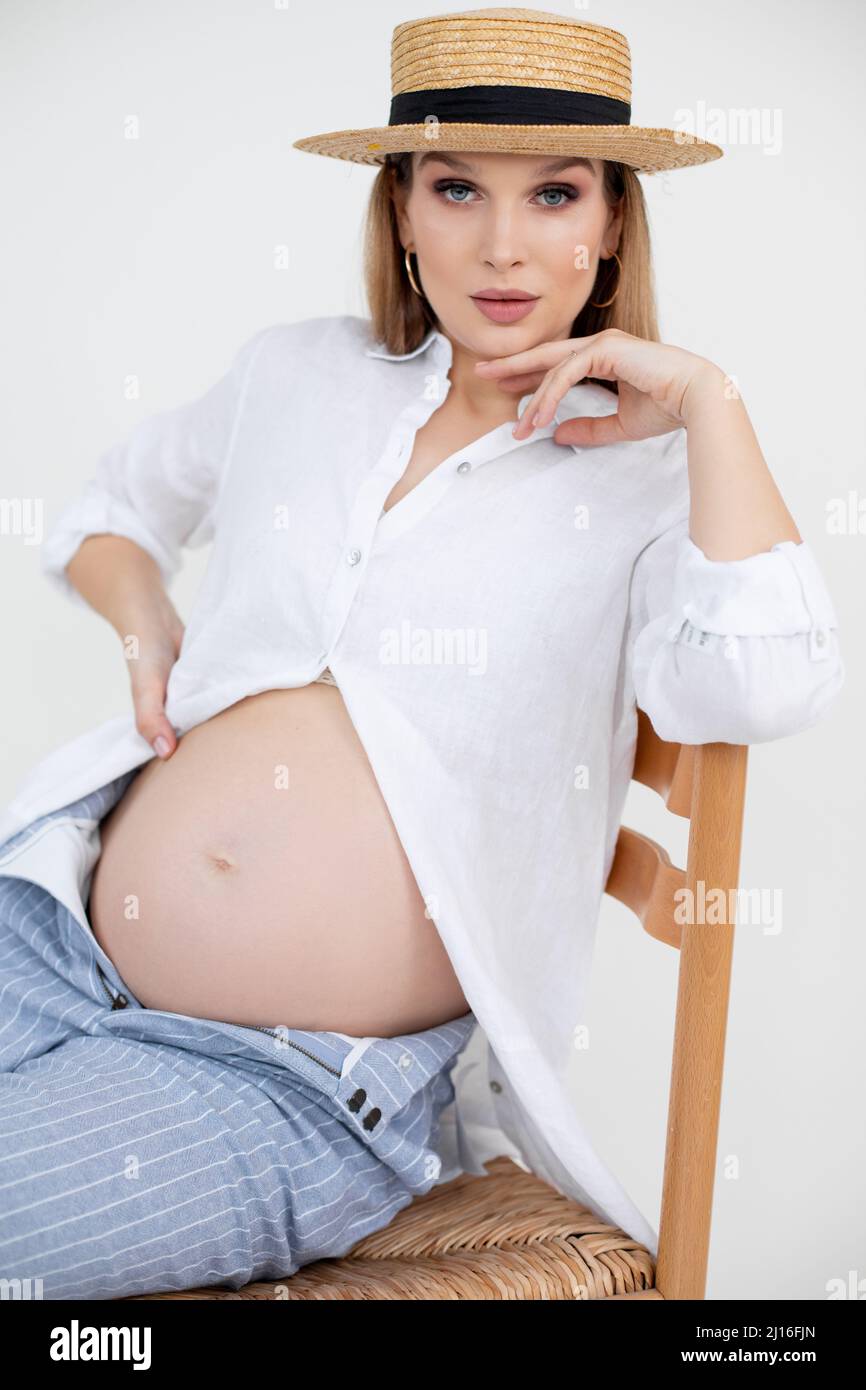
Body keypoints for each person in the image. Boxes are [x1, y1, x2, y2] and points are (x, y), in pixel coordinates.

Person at [0, 8, 844, 1299]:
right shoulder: (299, 374)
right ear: (399, 208)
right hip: (47, 928)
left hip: (284, 1076)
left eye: (554, 194)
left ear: (611, 220)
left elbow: (762, 683)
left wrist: (712, 403)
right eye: (455, 188)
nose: (502, 247)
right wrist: (147, 619)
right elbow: (109, 511)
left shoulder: (661, 475)